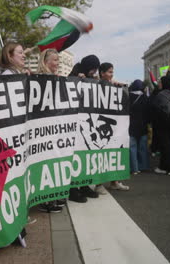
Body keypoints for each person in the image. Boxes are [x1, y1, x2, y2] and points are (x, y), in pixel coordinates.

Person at [35, 48, 66, 213]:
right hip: (43, 129)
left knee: (53, 163)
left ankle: (52, 196)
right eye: (55, 60)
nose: (57, 63)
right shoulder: (39, 80)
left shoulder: (56, 79)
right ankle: (45, 200)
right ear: (45, 62)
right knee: (45, 164)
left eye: (58, 60)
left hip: (54, 128)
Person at [67, 55, 101, 203]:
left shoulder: (92, 79)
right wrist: (77, 78)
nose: (94, 71)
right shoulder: (73, 76)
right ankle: (72, 190)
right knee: (75, 157)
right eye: (93, 68)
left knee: (85, 157)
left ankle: (84, 185)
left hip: (88, 123)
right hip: (75, 125)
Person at [95, 62, 130, 193]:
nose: (112, 74)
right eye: (109, 72)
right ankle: (98, 184)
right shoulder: (97, 86)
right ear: (102, 73)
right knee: (101, 154)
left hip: (114, 125)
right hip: (103, 125)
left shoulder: (113, 86)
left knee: (114, 154)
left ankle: (114, 181)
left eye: (112, 71)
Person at [151, 73, 170, 176]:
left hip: (163, 122)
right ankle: (163, 167)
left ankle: (168, 168)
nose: (159, 84)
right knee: (169, 144)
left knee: (165, 146)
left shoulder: (161, 94)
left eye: (160, 82)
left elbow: (155, 108)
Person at [128, 79, 150, 174]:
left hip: (131, 126)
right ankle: (143, 166)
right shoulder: (145, 98)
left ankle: (134, 168)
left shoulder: (128, 97)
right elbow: (149, 112)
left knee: (132, 148)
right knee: (142, 147)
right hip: (143, 126)